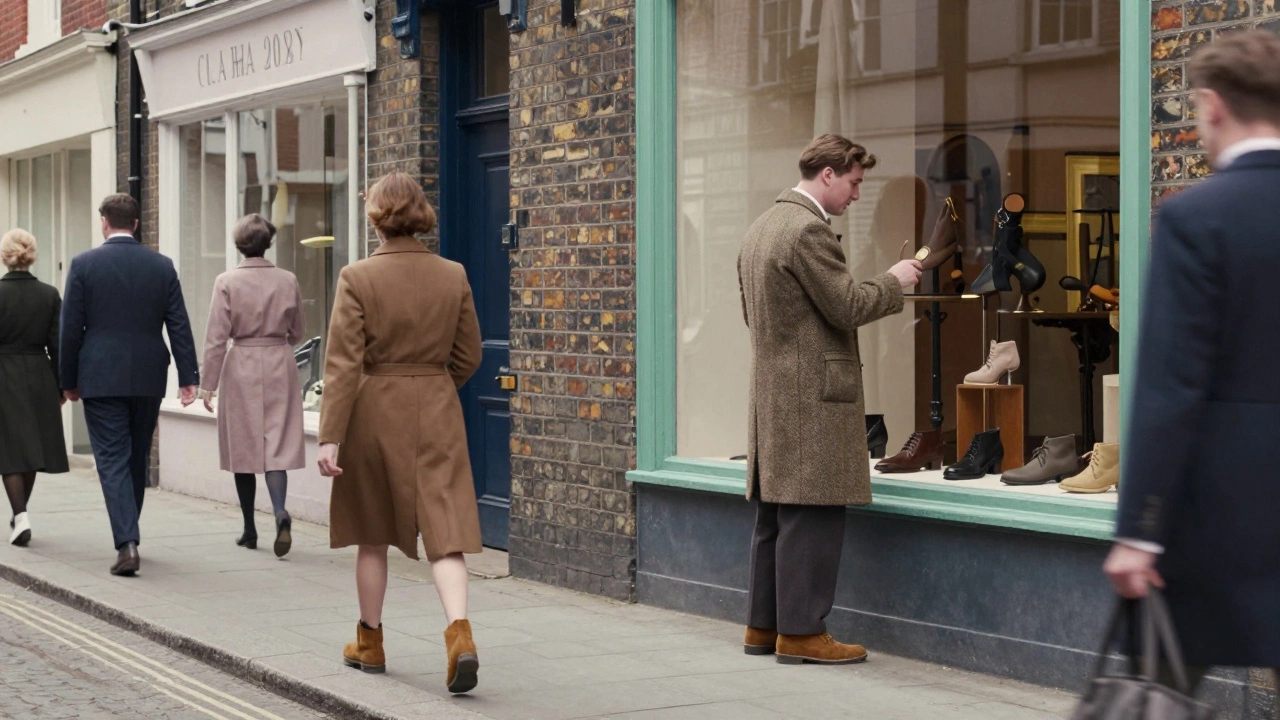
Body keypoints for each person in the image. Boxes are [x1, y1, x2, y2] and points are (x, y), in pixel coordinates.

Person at [1104, 29, 1280, 695]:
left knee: (1164, 692)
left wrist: (1139, 532)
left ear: (1210, 106)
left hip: (1216, 517)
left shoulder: (1196, 219)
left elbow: (1169, 389)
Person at [737, 134, 921, 665]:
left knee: (776, 515)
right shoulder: (807, 231)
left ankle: (762, 626)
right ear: (828, 174)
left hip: (773, 389)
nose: (856, 195)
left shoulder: (760, 228)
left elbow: (752, 315)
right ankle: (801, 633)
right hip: (812, 396)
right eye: (855, 182)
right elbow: (845, 306)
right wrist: (895, 280)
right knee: (813, 515)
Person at [316, 172, 483, 693]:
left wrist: (329, 436)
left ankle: (370, 642)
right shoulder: (452, 274)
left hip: (374, 411)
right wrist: (432, 384)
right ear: (420, 212)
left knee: (373, 533)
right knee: (446, 530)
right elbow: (469, 354)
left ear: (376, 216)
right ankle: (460, 636)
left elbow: (342, 364)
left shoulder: (357, 276)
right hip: (436, 408)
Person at [60, 194, 199, 576]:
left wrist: (67, 381)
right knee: (135, 456)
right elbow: (179, 324)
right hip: (148, 376)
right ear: (136, 224)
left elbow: (70, 329)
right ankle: (130, 532)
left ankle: (127, 543)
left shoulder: (84, 264)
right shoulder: (161, 266)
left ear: (104, 222)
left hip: (100, 376)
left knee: (112, 460)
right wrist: (189, 378)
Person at [200, 214, 305, 557]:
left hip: (242, 361)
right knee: (276, 443)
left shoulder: (226, 281)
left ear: (238, 245)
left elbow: (216, 337)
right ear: (269, 243)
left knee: (243, 446)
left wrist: (207, 385)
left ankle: (249, 529)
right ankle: (279, 512)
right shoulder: (288, 279)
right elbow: (298, 331)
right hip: (279, 361)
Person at [0, 229, 69, 546]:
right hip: (40, 374)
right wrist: (61, 385)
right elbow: (59, 345)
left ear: (5, 256)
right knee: (32, 448)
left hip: (4, 372)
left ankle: (21, 515)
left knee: (11, 450)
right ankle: (20, 515)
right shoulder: (49, 294)